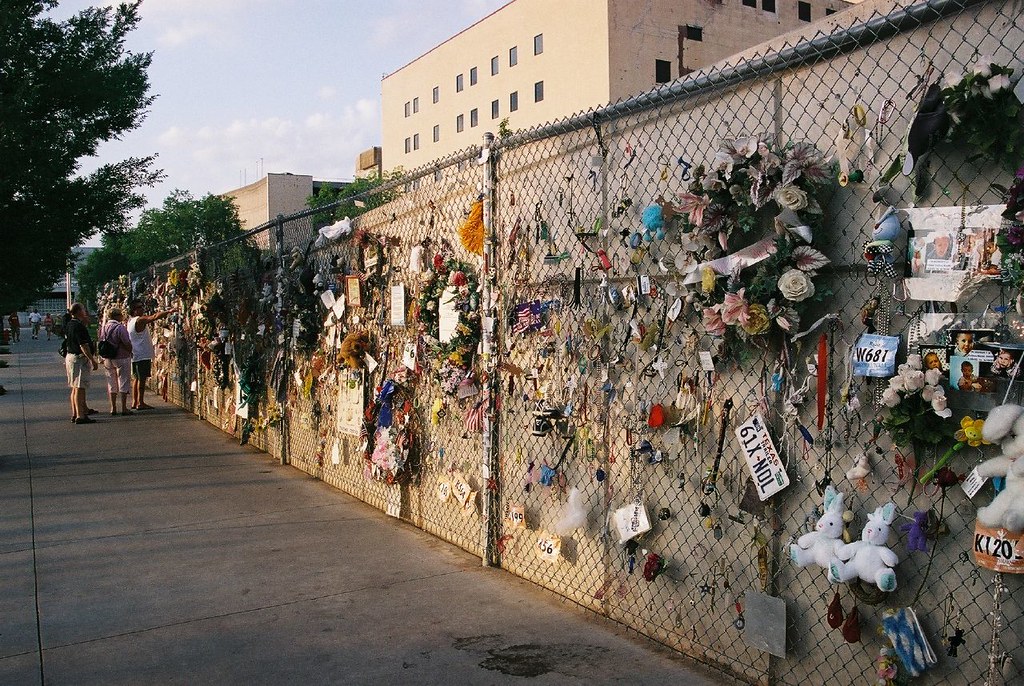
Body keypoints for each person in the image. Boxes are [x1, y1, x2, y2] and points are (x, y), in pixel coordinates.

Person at [127, 301, 172, 410]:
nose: (142, 309)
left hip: (135, 354)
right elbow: (154, 317)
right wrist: (169, 311)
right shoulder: (139, 320)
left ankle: (135, 401)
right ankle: (140, 402)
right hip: (142, 354)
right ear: (134, 310)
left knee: (136, 379)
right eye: (139, 307)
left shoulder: (130, 322)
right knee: (141, 379)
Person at [65, 302, 99, 424]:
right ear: (79, 311)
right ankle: (81, 415)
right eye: (83, 309)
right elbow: (83, 345)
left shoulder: (70, 324)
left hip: (70, 357)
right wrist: (92, 359)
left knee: (75, 387)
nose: (85, 311)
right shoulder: (79, 327)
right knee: (80, 387)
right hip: (79, 359)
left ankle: (75, 413)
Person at [100, 308, 133, 415]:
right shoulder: (120, 328)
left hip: (108, 357)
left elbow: (101, 339)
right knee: (123, 380)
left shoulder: (104, 327)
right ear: (118, 316)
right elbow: (126, 342)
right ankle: (123, 407)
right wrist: (130, 350)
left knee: (111, 382)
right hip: (121, 356)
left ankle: (113, 407)